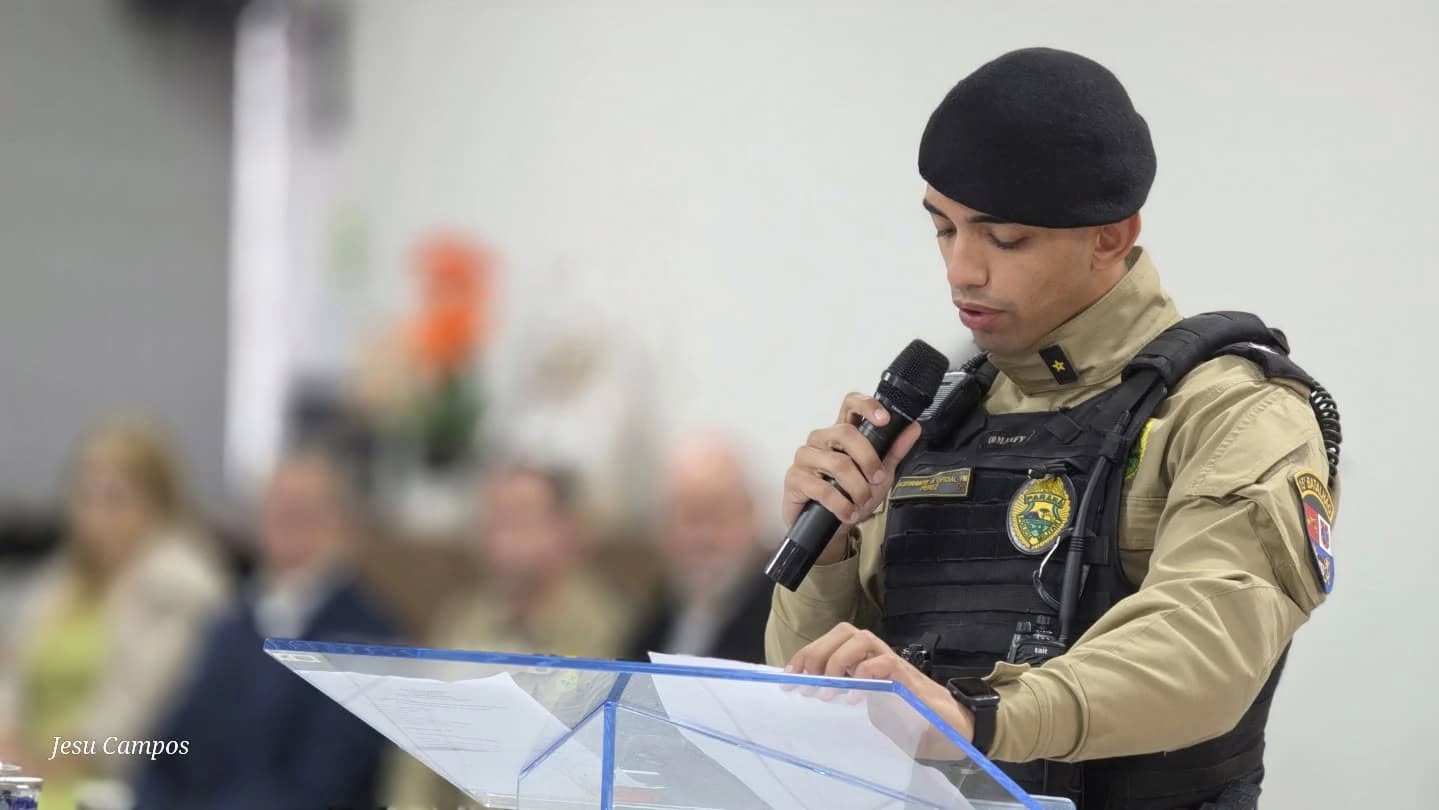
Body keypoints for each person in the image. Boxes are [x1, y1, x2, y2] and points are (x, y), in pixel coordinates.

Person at [765, 47, 1342, 810]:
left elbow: (1205, 647)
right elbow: (810, 697)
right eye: (942, 229)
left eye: (1002, 239)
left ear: (1109, 236)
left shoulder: (1230, 414)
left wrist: (977, 719)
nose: (961, 270)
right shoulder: (932, 417)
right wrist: (830, 551)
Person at [132, 446, 398, 810]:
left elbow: (322, 787)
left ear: (343, 526)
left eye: (301, 511)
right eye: (275, 508)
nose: (283, 521)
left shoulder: (366, 638)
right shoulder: (233, 624)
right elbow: (172, 748)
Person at [0, 421, 229, 810]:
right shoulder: (58, 582)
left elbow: (139, 715)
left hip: (112, 783)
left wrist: (48, 760)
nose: (97, 515)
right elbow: (11, 673)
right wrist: (9, 741)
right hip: (23, 771)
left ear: (159, 505)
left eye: (115, 498)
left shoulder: (181, 590)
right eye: (85, 496)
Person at [380, 461, 631, 809]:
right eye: (494, 519)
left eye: (521, 517)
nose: (504, 534)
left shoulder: (612, 629)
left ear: (569, 529)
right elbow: (417, 743)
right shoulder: (463, 620)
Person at [624, 432, 774, 664]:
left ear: (750, 513)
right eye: (686, 516)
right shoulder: (655, 611)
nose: (701, 535)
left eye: (716, 512)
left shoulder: (784, 610)